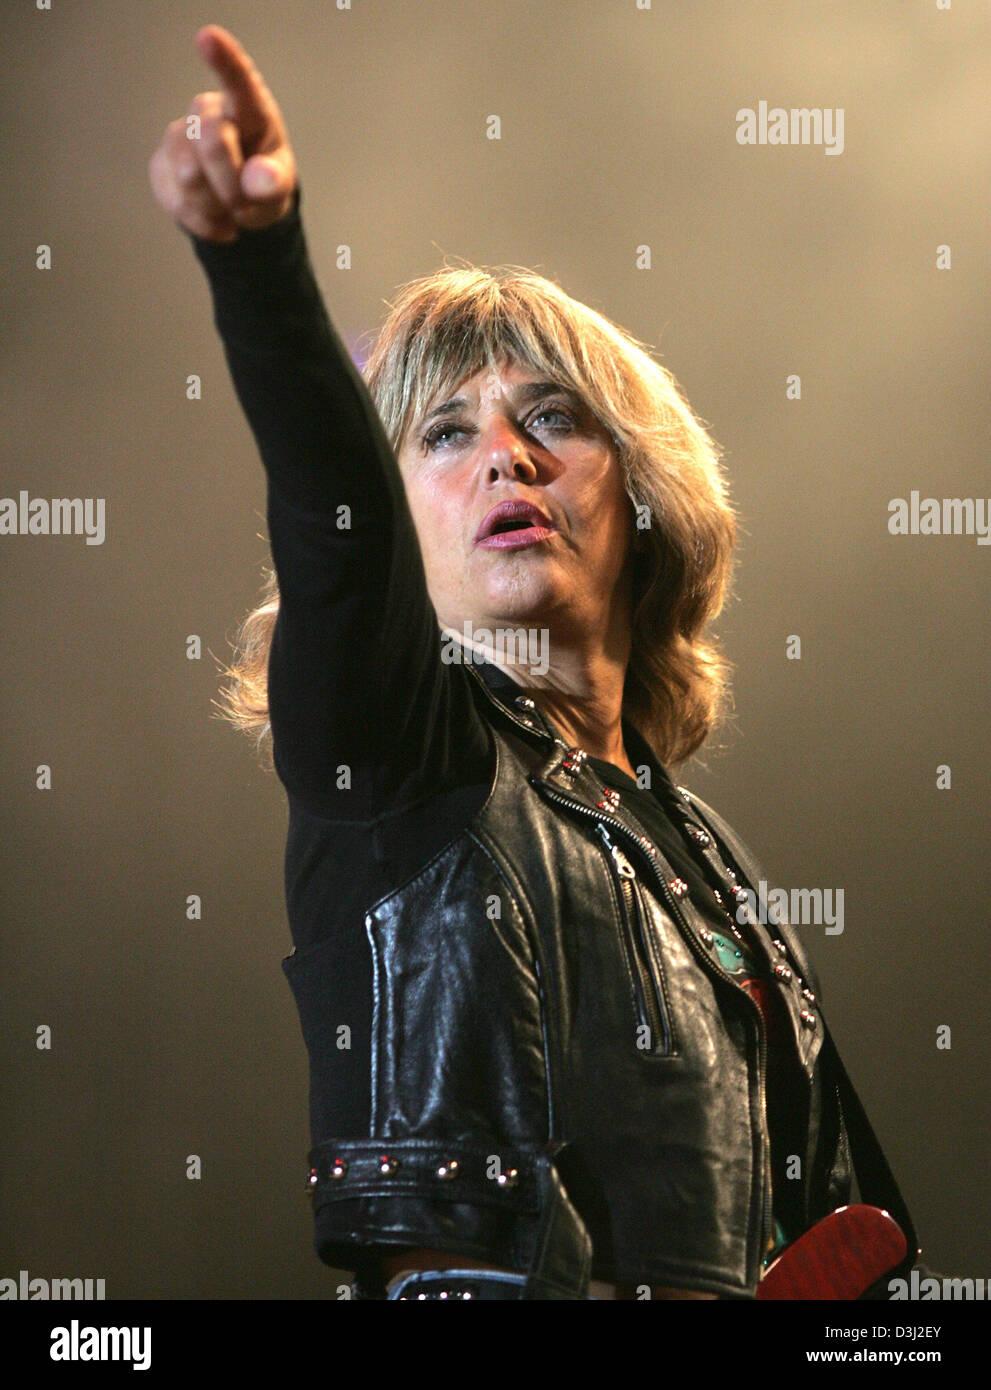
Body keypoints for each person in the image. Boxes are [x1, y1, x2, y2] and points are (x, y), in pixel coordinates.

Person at [148, 24, 920, 1300]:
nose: (505, 454)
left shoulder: (712, 864)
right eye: (444, 433)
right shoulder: (404, 751)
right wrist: (260, 266)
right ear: (400, 525)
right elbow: (333, 519)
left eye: (550, 417)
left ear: (649, 495)